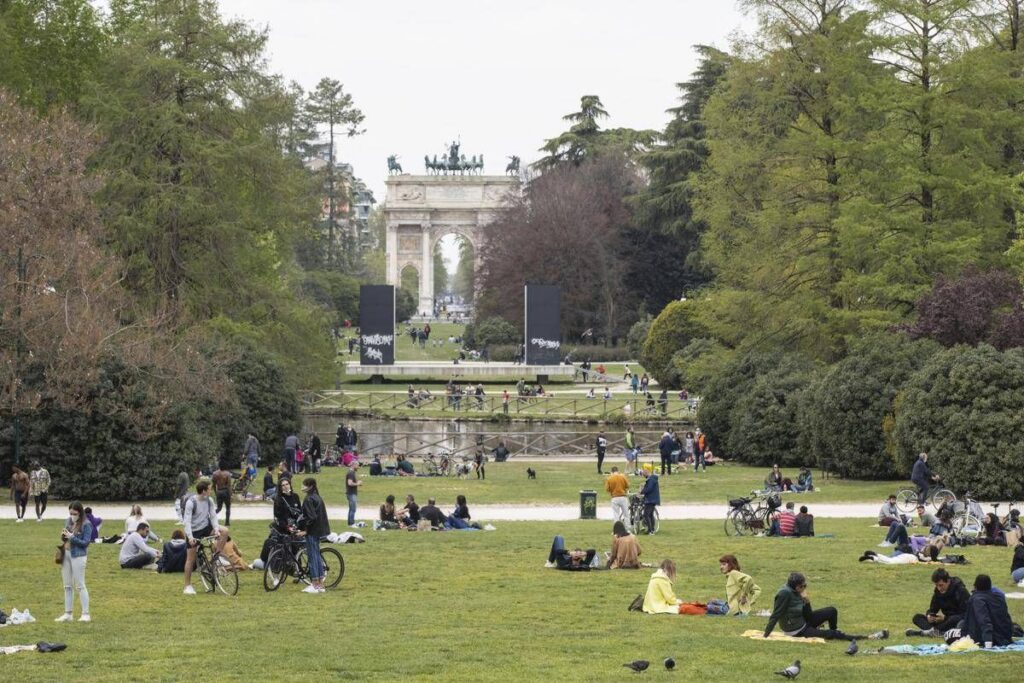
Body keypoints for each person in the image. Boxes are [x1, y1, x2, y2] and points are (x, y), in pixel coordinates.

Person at [764, 572, 887, 641]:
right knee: (829, 634)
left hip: (803, 621)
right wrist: (766, 635)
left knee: (832, 610)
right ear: (796, 586)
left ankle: (836, 630)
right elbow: (776, 614)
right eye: (803, 586)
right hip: (796, 630)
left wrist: (807, 601)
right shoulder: (784, 593)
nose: (805, 588)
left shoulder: (797, 592)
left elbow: (808, 615)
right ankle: (866, 637)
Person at [182, 481, 222, 595]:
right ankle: (187, 586)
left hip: (205, 527)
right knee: (190, 559)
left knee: (224, 531)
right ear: (204, 491)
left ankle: (216, 557)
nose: (211, 491)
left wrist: (216, 529)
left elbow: (213, 516)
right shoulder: (191, 502)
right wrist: (190, 537)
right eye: (209, 489)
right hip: (194, 532)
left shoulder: (209, 500)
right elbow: (187, 522)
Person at [906, 568, 970, 637]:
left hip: (958, 621)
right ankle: (938, 632)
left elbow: (966, 614)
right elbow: (932, 609)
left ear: (948, 581)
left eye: (941, 585)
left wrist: (945, 618)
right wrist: (930, 616)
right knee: (917, 617)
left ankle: (930, 632)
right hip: (944, 623)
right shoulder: (937, 592)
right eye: (936, 585)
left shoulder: (960, 591)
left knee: (955, 621)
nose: (939, 588)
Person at [56, 501, 92, 622]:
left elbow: (85, 543)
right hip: (66, 554)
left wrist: (72, 537)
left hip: (78, 556)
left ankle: (86, 614)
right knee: (67, 585)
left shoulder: (86, 524)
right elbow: (64, 538)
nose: (72, 516)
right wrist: (63, 535)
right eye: (70, 513)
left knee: (80, 585)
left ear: (80, 513)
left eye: (74, 513)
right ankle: (68, 613)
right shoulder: (68, 521)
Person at [957, 574, 1013, 648]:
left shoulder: (977, 599)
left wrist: (988, 641)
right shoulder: (999, 596)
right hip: (1005, 636)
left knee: (959, 626)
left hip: (991, 639)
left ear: (975, 586)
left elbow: (984, 620)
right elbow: (1006, 617)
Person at [297, 478, 330, 593]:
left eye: (304, 485)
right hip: (319, 531)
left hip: (312, 531)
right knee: (317, 556)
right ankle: (320, 584)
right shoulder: (317, 496)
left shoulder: (308, 499)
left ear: (310, 486)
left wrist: (306, 530)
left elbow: (311, 517)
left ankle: (315, 584)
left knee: (312, 557)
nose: (302, 486)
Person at [639, 468, 660, 535]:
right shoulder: (653, 479)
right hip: (653, 499)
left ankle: (650, 530)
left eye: (644, 475)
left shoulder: (651, 480)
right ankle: (651, 529)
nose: (644, 476)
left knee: (646, 515)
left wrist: (642, 491)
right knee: (650, 515)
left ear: (646, 473)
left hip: (650, 499)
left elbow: (649, 489)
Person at [345, 462, 363, 527]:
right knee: (353, 509)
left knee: (351, 509)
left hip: (351, 493)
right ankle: (351, 523)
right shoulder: (351, 473)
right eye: (357, 465)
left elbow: (351, 483)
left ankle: (350, 523)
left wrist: (357, 483)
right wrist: (358, 484)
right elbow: (350, 483)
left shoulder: (352, 473)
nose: (358, 467)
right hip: (351, 493)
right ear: (353, 465)